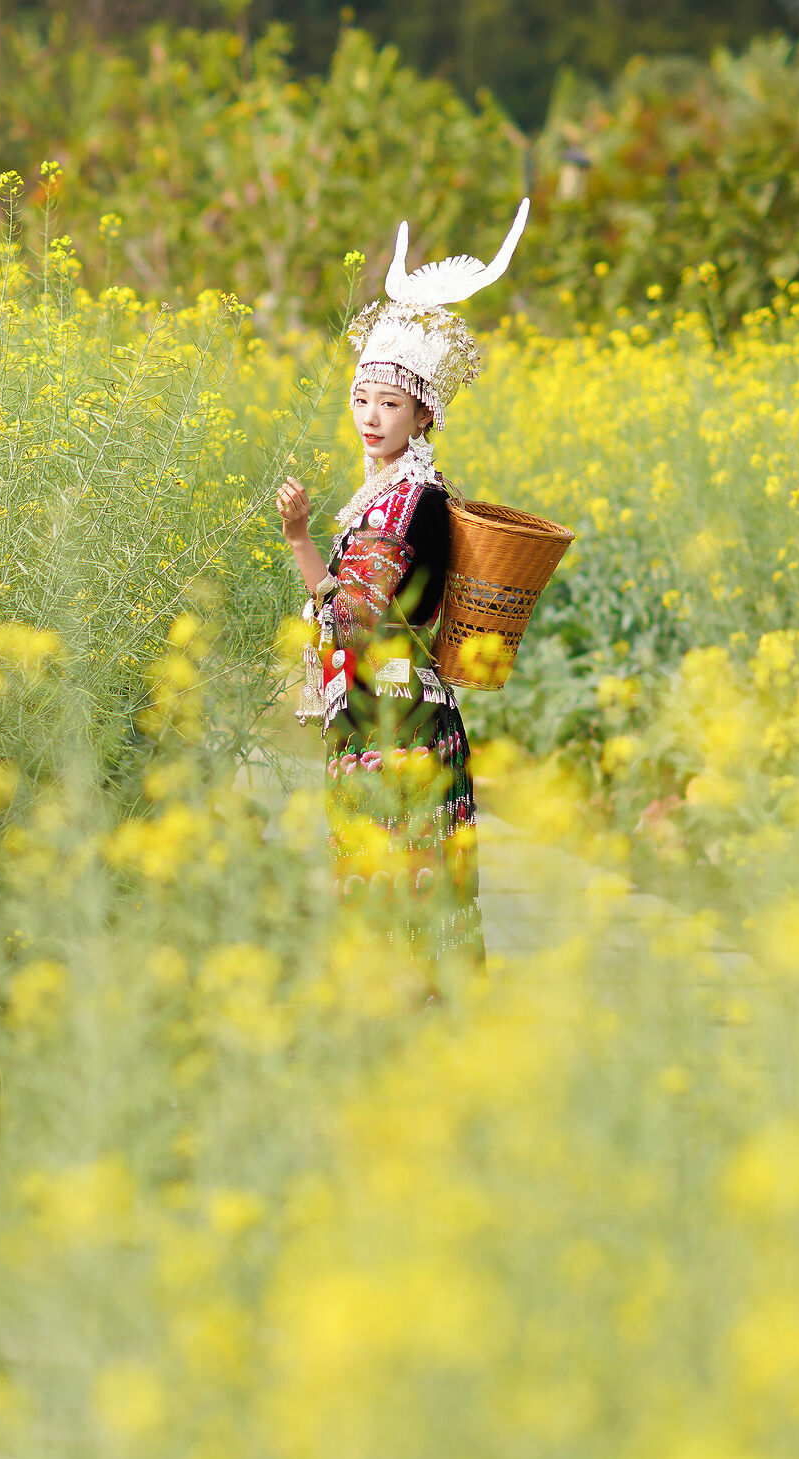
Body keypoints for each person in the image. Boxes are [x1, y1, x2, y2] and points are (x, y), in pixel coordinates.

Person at [274, 200, 530, 965]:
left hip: (398, 729)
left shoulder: (410, 503)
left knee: (400, 896)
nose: (370, 416)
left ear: (423, 414)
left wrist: (297, 541)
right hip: (380, 720)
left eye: (389, 403)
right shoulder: (389, 496)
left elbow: (351, 617)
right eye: (361, 399)